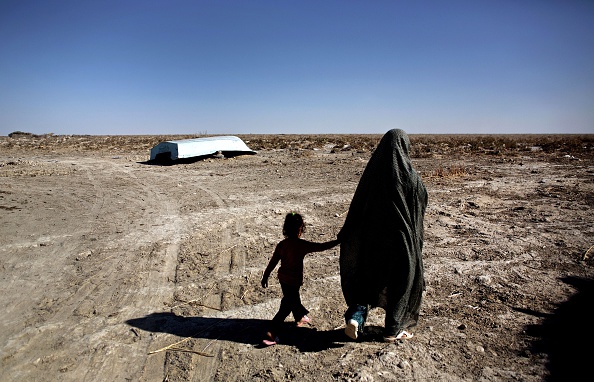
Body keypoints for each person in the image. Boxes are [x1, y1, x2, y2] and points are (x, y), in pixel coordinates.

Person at [337, 129, 428, 342]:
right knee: (401, 283)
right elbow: (422, 200)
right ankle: (392, 329)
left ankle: (356, 319)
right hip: (401, 242)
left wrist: (346, 233)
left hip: (371, 241)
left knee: (367, 281)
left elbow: (357, 206)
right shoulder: (411, 178)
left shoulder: (372, 175)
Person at [261, 212, 340, 345]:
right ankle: (272, 332)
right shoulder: (301, 245)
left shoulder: (282, 245)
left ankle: (299, 318)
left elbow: (273, 262)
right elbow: (321, 247)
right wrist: (337, 241)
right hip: (294, 280)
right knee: (286, 306)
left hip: (283, 279)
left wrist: (266, 276)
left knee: (293, 299)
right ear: (300, 229)